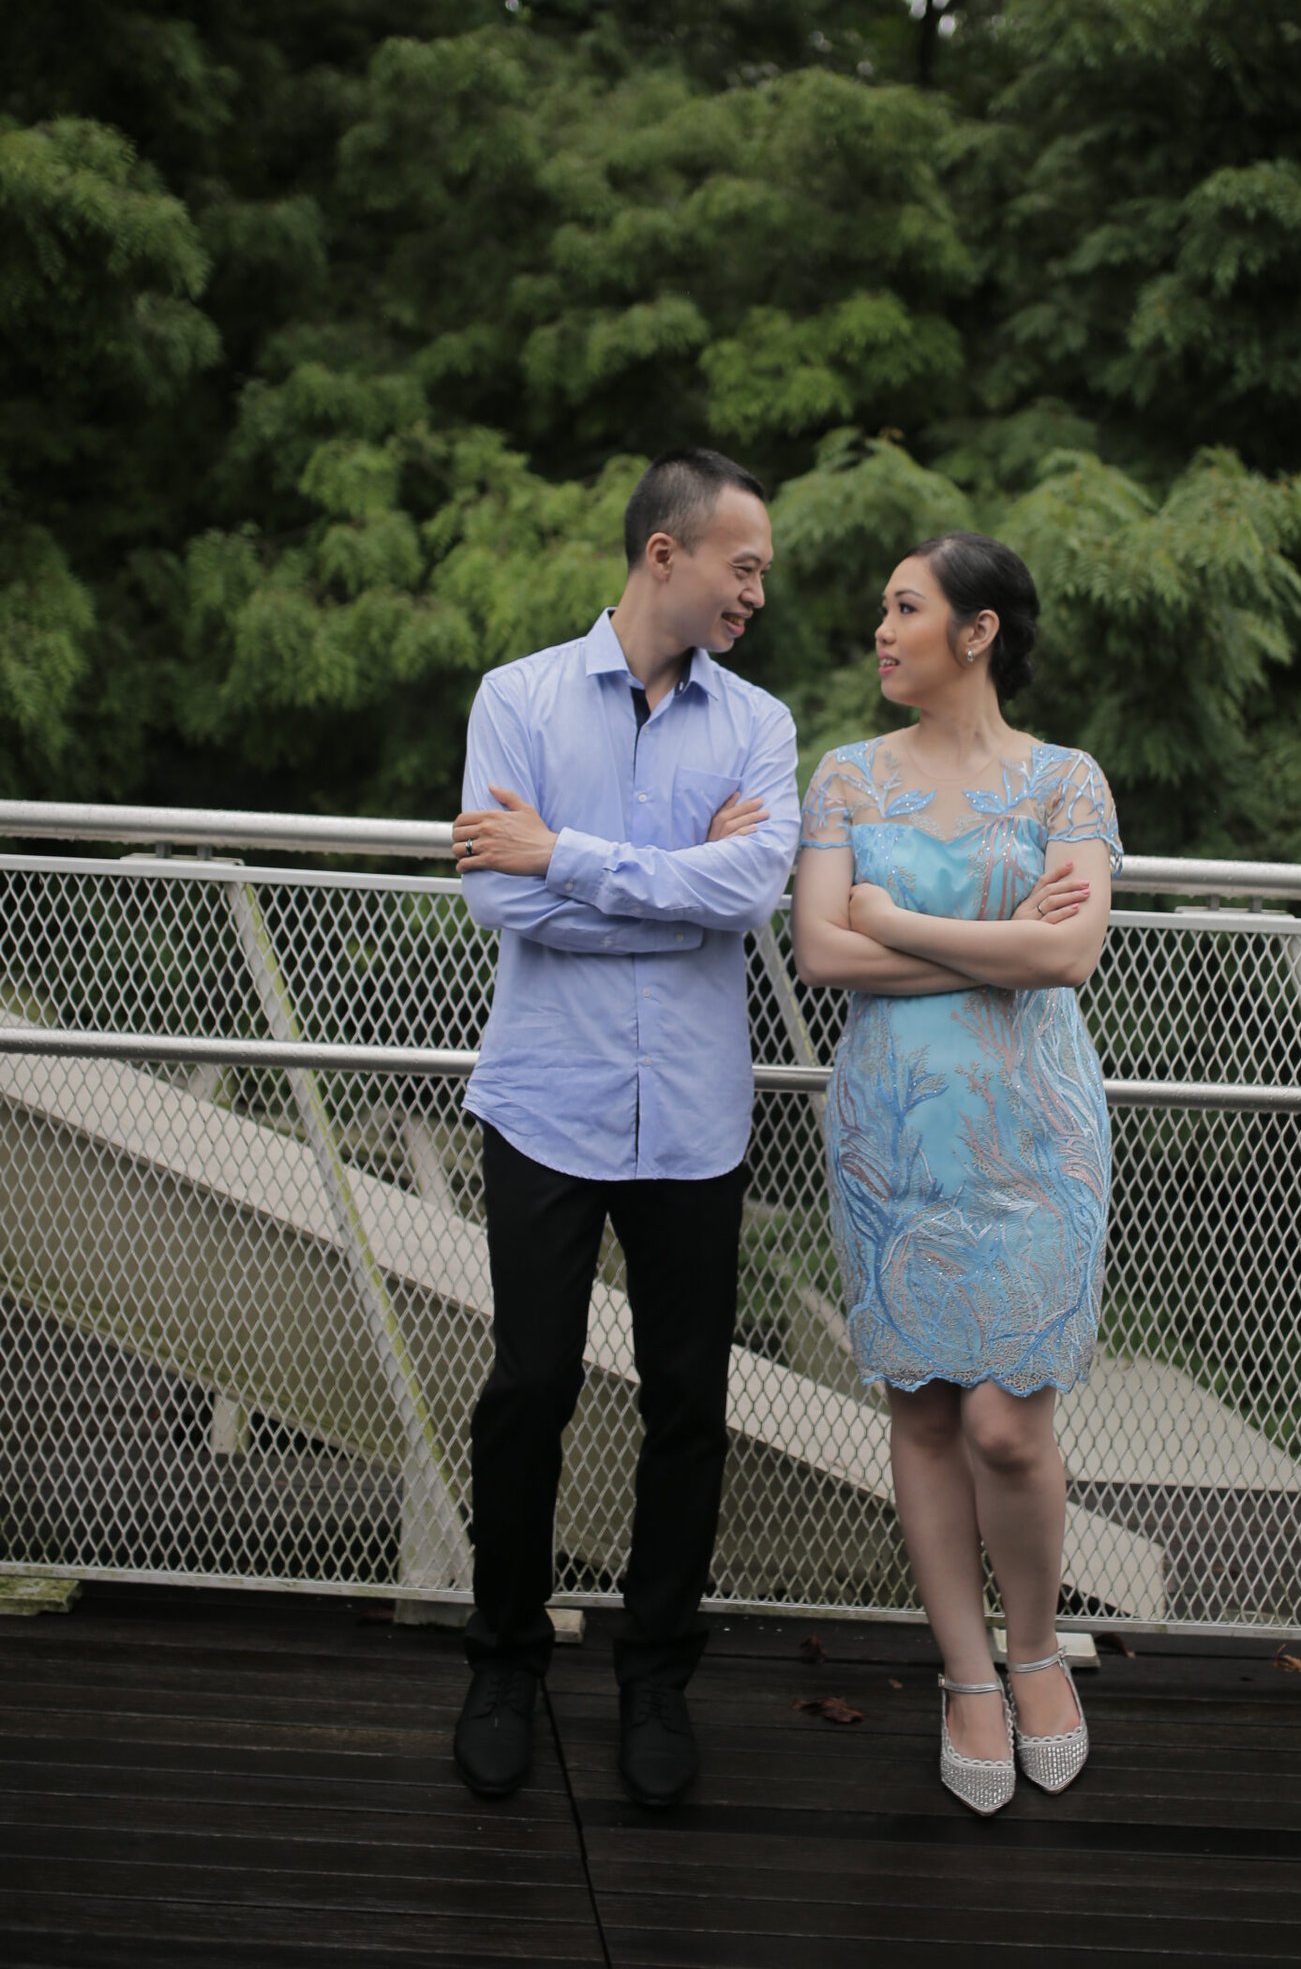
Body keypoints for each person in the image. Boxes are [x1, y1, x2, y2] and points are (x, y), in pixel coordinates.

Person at [450, 449, 800, 1810]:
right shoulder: (518, 698)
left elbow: (749, 895)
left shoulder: (758, 726)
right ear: (667, 553)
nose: (756, 593)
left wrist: (568, 854)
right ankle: (503, 1664)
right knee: (528, 1390)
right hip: (547, 1100)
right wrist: (673, 888)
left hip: (695, 1120)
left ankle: (656, 1680)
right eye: (743, 566)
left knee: (688, 1406)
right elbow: (502, 903)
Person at [790, 531, 1120, 1816]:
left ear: (976, 632)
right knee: (924, 1411)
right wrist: (991, 940)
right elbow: (822, 957)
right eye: (883, 610)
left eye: (905, 608)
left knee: (1006, 1424)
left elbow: (1067, 959)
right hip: (891, 1133)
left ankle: (1036, 1651)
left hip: (1036, 1135)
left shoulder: (1065, 783)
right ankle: (967, 1675)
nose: (881, 631)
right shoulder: (845, 779)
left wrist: (895, 922)